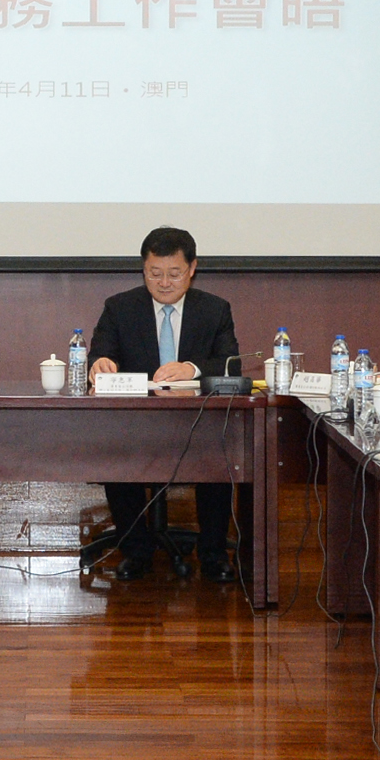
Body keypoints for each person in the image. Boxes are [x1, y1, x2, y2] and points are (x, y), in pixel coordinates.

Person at [86, 226, 244, 584]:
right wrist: (100, 364)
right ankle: (136, 551)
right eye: (154, 274)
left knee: (219, 457)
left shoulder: (214, 309)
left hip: (196, 425)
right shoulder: (120, 308)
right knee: (116, 456)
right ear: (143, 269)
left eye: (174, 273)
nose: (164, 283)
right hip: (136, 425)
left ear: (192, 268)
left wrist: (192, 368)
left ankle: (213, 555)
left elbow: (231, 364)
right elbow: (99, 355)